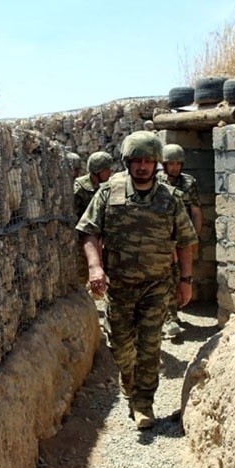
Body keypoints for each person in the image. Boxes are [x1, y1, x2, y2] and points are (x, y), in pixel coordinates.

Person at [76, 131, 198, 429]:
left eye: (148, 161)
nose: (142, 166)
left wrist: (186, 279)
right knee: (121, 346)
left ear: (156, 164)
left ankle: (143, 403)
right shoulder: (109, 192)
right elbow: (89, 231)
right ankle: (129, 385)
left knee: (150, 345)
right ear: (127, 162)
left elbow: (185, 240)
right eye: (137, 161)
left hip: (157, 286)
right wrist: (95, 267)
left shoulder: (170, 198)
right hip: (119, 287)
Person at [159, 143, 203, 339]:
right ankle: (170, 318)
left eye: (178, 163)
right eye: (171, 164)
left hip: (183, 237)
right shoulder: (157, 181)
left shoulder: (188, 183)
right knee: (167, 275)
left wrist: (194, 238)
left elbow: (196, 212)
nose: (175, 167)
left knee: (179, 276)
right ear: (164, 164)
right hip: (163, 237)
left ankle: (171, 315)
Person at [73, 151, 113, 217]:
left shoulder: (109, 185)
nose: (110, 171)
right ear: (97, 171)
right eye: (107, 169)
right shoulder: (79, 189)